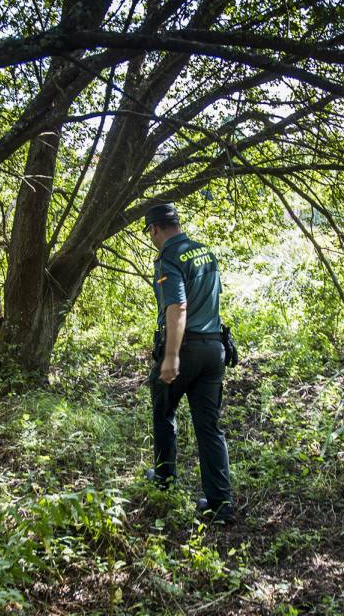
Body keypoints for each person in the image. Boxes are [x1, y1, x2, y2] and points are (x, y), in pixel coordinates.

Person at [142, 203, 234, 524]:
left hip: (187, 348)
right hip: (214, 348)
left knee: (163, 410)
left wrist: (171, 356)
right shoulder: (206, 253)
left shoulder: (169, 257)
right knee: (209, 427)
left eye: (150, 233)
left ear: (154, 229)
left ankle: (165, 481)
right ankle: (220, 504)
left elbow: (178, 306)